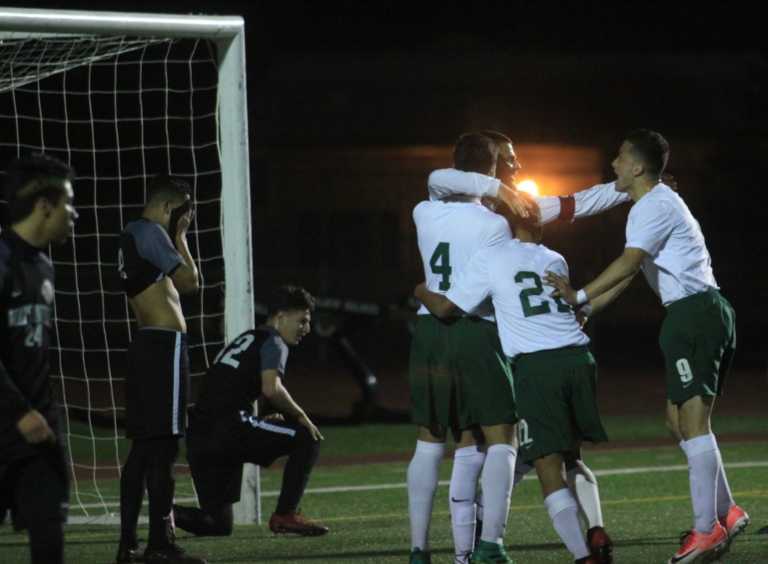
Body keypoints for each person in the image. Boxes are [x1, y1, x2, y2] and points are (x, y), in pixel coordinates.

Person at [544, 129, 748, 564]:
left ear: (638, 166)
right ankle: (725, 511)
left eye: (620, 157)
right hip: (698, 312)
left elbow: (627, 263)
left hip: (694, 314)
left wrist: (578, 296)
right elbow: (631, 273)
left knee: (693, 425)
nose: (614, 164)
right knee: (678, 421)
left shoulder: (652, 205)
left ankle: (705, 530)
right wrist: (590, 309)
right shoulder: (653, 205)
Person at [430, 130, 615, 562]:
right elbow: (573, 205)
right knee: (558, 456)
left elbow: (452, 304)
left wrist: (422, 296)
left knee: (509, 453)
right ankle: (593, 530)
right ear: (489, 163)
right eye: (508, 160)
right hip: (575, 355)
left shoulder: (491, 238)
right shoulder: (550, 254)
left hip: (524, 361)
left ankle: (485, 543)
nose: (516, 167)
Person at [408, 132, 522, 564]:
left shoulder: (424, 212)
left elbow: (437, 180)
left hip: (428, 335)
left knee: (430, 441)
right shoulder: (495, 225)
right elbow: (487, 290)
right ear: (491, 170)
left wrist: (423, 291)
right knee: (500, 438)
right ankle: (491, 543)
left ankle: (419, 551)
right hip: (475, 330)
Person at [171, 285, 327, 537]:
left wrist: (254, 423)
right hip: (228, 429)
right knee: (308, 437)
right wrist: (301, 416)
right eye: (303, 321)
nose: (307, 329)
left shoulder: (247, 339)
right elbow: (272, 389)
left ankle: (165, 512)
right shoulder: (274, 342)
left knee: (217, 524)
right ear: (280, 317)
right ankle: (286, 514)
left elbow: (227, 389)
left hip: (201, 436)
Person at [116, 175, 204, 564]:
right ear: (171, 208)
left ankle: (128, 545)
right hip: (162, 348)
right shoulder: (151, 232)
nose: (183, 219)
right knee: (165, 448)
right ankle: (159, 545)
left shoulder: (133, 232)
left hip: (146, 347)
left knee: (143, 449)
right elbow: (189, 282)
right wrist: (182, 237)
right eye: (182, 212)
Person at [0, 154, 78, 564]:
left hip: (39, 430)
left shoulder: (45, 267)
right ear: (45, 205)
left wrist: (41, 412)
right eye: (69, 202)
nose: (74, 213)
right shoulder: (2, 262)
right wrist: (18, 411)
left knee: (49, 541)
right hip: (9, 421)